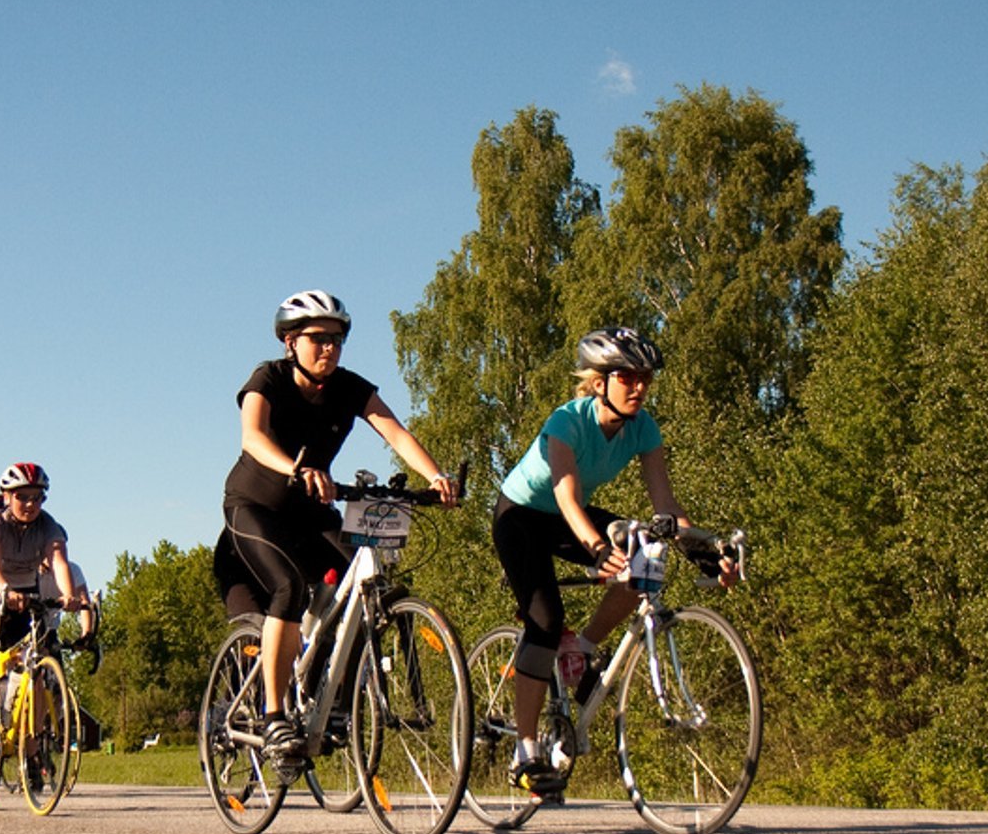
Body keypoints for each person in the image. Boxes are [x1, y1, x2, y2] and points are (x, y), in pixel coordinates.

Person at [214, 290, 458, 772]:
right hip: (255, 508)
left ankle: (335, 703)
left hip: (311, 511)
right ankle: (273, 713)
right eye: (317, 339)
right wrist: (295, 468)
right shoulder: (269, 377)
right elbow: (253, 437)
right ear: (290, 342)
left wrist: (435, 477)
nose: (329, 348)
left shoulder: (349, 387)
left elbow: (396, 433)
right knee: (289, 588)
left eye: (338, 339)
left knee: (359, 588)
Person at [491, 326, 724, 799]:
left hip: (565, 518)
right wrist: (598, 549)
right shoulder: (567, 422)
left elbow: (665, 507)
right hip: (522, 516)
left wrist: (706, 548)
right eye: (627, 377)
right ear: (599, 382)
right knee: (546, 618)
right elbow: (568, 496)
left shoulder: (644, 427)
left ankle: (583, 648)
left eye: (645, 378)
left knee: (646, 557)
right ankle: (527, 751)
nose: (638, 386)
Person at [0, 464, 90, 737]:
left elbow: (59, 562)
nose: (30, 504)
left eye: (37, 498)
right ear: (7, 496)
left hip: (24, 598)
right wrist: (4, 589)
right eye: (22, 497)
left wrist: (69, 596)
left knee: (37, 673)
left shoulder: (47, 525)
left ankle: (31, 756)